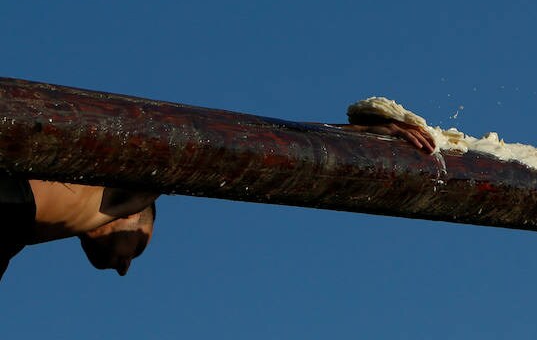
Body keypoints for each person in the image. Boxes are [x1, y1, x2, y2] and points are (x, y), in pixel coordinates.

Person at [0, 118, 435, 281]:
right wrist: (367, 139)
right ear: (139, 217)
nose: (125, 268)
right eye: (142, 246)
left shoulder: (33, 230)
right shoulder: (130, 194)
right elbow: (250, 142)